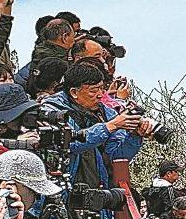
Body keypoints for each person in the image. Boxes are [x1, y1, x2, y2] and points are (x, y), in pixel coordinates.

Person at [43, 62, 150, 194]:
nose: (100, 95)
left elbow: (117, 157)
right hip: (63, 190)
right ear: (74, 92)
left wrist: (134, 136)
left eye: (102, 88)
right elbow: (68, 143)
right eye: (93, 90)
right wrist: (109, 127)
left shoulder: (107, 113)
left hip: (98, 191)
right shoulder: (52, 111)